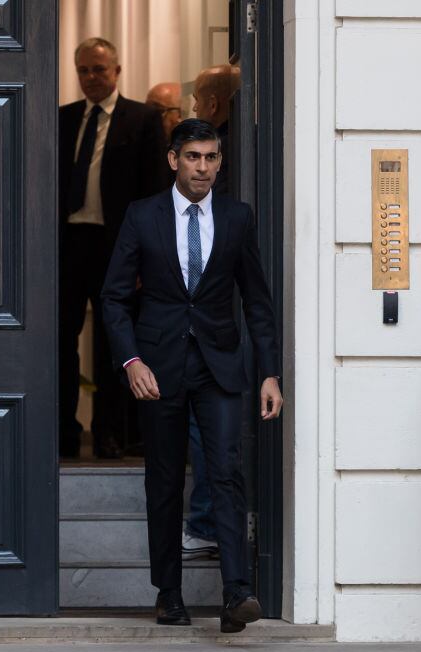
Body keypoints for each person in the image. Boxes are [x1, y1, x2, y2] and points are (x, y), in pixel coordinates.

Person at [101, 119, 282, 633]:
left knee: (225, 471)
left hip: (219, 367)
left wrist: (269, 373)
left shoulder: (237, 217)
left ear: (220, 162)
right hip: (157, 370)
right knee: (163, 479)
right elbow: (114, 298)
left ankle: (237, 592)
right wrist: (131, 361)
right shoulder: (143, 216)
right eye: (193, 157)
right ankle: (169, 593)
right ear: (173, 160)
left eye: (211, 157)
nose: (203, 167)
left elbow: (257, 301)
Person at [59, 38, 168, 459]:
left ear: (117, 71)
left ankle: (109, 434)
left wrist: (145, 257)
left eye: (99, 69)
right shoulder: (63, 118)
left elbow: (155, 192)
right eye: (83, 70)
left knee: (112, 344)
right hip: (68, 246)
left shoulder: (142, 119)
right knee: (60, 340)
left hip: (117, 248)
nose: (91, 77)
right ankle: (64, 433)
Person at [181, 64, 243, 562]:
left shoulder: (225, 161)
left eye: (198, 99)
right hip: (206, 330)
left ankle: (206, 523)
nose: (202, 166)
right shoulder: (240, 146)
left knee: (209, 432)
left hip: (218, 327)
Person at [192, 64, 241, 194]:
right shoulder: (256, 138)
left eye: (197, 100)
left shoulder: (217, 151)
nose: (194, 108)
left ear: (213, 105)